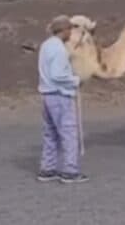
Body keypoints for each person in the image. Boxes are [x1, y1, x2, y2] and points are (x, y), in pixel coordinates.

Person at [36, 15, 88, 183]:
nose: (71, 33)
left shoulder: (46, 45)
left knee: (50, 133)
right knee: (69, 133)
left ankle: (48, 168)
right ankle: (70, 171)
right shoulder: (59, 49)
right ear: (64, 30)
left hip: (47, 95)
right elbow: (58, 75)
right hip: (60, 95)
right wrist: (76, 80)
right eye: (69, 30)